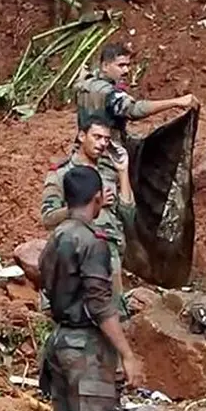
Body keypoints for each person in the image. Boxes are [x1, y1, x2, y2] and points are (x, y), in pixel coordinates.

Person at [39, 166, 144, 411]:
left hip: (59, 343)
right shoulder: (93, 241)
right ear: (98, 197)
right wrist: (127, 355)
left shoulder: (56, 238)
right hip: (85, 349)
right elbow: (102, 307)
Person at [41, 113, 134, 298]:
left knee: (112, 309)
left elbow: (128, 215)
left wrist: (123, 172)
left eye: (106, 139)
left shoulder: (109, 171)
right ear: (82, 136)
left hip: (111, 251)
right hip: (78, 252)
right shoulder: (61, 173)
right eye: (97, 137)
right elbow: (48, 218)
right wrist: (83, 205)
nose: (102, 144)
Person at [74, 42, 199, 168]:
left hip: (82, 156)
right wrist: (176, 102)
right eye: (121, 65)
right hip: (105, 161)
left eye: (128, 65)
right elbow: (134, 110)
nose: (126, 71)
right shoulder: (109, 93)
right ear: (105, 66)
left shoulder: (87, 85)